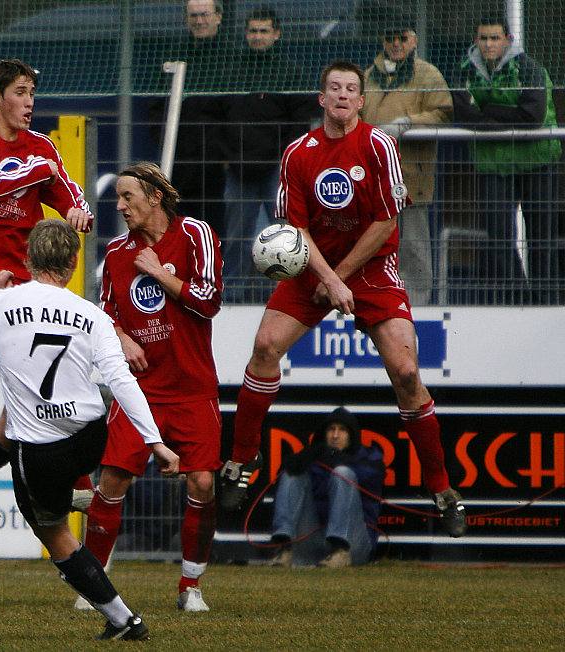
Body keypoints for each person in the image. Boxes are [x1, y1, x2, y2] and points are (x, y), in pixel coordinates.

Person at [217, 61, 467, 540]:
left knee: (408, 372)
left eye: (351, 89)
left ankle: (442, 491)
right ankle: (241, 461)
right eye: (334, 88)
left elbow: (386, 223)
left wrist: (341, 279)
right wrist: (328, 279)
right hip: (312, 267)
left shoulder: (379, 145)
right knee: (266, 347)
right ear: (321, 98)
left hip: (370, 271)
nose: (342, 96)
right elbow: (297, 229)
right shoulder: (299, 153)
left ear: (361, 99)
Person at [0, 219, 179, 640]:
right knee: (17, 411)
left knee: (53, 532)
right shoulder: (92, 314)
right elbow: (121, 381)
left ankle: (124, 621)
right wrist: (155, 441)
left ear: (27, 260)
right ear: (73, 262)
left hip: (42, 451)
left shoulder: (1, 303)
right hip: (88, 436)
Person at [0, 58, 93, 549]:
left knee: (50, 378)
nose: (30, 102)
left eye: (32, 93)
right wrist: (38, 171)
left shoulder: (42, 147)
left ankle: (76, 482)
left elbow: (71, 192)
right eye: (22, 92)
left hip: (30, 281)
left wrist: (75, 208)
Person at [83, 162, 222, 612]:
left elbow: (210, 302)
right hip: (138, 390)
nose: (120, 206)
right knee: (112, 479)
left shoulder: (196, 234)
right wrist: (122, 338)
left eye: (128, 197)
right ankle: (94, 586)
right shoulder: (117, 253)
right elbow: (104, 315)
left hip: (192, 386)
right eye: (118, 198)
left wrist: (160, 272)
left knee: (202, 482)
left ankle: (190, 588)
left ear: (156, 196)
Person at [452, 13, 561, 305]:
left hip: (537, 161)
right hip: (493, 164)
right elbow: (463, 114)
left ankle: (545, 301)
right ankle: (517, 299)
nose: (488, 44)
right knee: (498, 234)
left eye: (495, 38)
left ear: (507, 40)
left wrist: (486, 110)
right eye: (483, 38)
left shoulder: (529, 68)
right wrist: (505, 116)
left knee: (541, 235)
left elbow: (533, 117)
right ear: (476, 40)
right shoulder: (465, 70)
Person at [219, 6, 320, 303]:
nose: (258, 36)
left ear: (276, 34)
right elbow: (219, 118)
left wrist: (285, 160)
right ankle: (232, 296)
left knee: (288, 235)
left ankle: (290, 294)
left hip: (277, 170)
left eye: (264, 31)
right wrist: (226, 156)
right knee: (236, 236)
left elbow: (301, 123)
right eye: (253, 31)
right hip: (238, 171)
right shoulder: (229, 71)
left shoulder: (292, 72)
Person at [361, 20, 453, 306]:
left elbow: (444, 114)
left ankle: (417, 306)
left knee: (413, 246)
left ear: (414, 40)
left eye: (402, 38)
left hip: (411, 177)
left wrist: (408, 124)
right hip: (373, 179)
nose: (396, 44)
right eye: (390, 38)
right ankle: (373, 300)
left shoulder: (429, 75)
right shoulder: (368, 76)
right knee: (370, 244)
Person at [147, 0, 229, 235]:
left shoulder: (233, 57)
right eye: (193, 16)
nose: (199, 21)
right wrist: (166, 145)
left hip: (218, 169)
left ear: (218, 17)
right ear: (185, 19)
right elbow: (156, 106)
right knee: (178, 229)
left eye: (204, 14)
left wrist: (224, 154)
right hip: (179, 164)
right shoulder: (173, 55)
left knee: (217, 232)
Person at [270, 407, 384, 568]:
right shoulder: (315, 458)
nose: (335, 435)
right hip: (315, 540)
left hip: (354, 543)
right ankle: (284, 547)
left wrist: (337, 458)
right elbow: (284, 477)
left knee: (343, 472)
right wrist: (305, 457)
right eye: (331, 429)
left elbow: (371, 478)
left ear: (352, 435)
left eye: (342, 430)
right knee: (292, 473)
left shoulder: (370, 457)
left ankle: (340, 552)